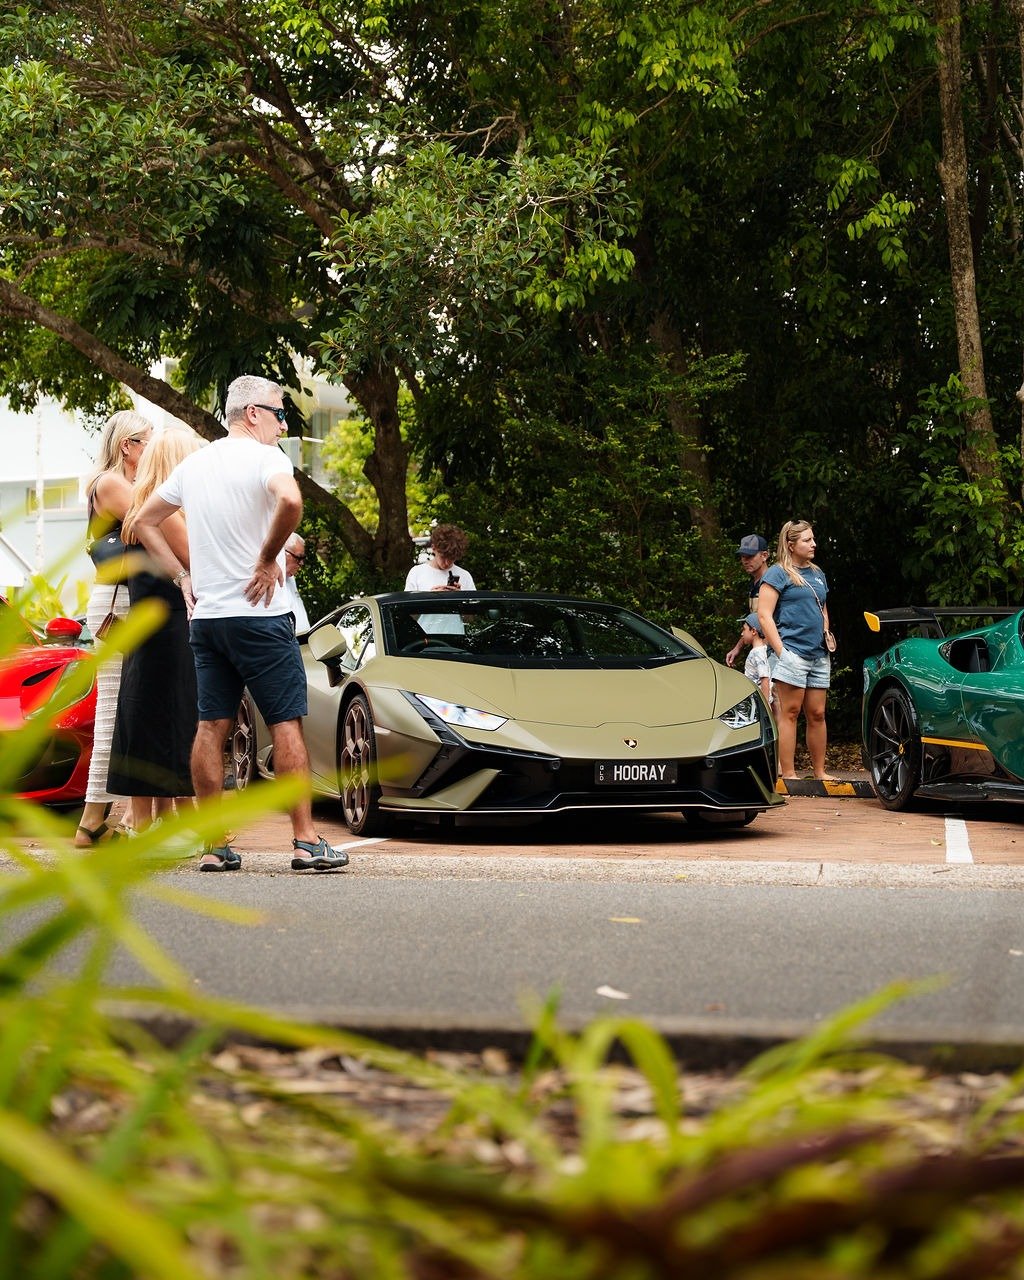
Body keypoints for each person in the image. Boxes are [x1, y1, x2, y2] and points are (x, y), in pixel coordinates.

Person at [132, 374, 348, 873]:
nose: (282, 424)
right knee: (286, 722)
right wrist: (267, 559)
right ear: (252, 413)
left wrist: (183, 577)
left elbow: (145, 520)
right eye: (278, 413)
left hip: (207, 619)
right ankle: (306, 842)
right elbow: (291, 502)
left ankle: (214, 847)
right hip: (259, 616)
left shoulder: (196, 464)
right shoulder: (266, 458)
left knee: (211, 726)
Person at [107, 429, 204, 826]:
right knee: (176, 722)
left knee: (143, 723)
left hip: (145, 630)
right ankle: (168, 826)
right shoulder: (167, 515)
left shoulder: (137, 512)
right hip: (171, 632)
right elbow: (197, 567)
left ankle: (145, 827)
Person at [74, 410, 154, 847]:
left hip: (124, 602)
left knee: (126, 711)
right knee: (112, 715)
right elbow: (151, 520)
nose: (153, 451)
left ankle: (101, 819)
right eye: (148, 442)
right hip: (116, 605)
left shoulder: (117, 483)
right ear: (128, 445)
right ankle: (91, 821)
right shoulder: (110, 483)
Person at [757, 520, 832, 782]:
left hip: (818, 654)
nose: (813, 544)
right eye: (807, 540)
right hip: (792, 652)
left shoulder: (817, 573)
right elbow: (764, 615)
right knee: (790, 712)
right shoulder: (777, 574)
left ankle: (820, 772)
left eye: (813, 539)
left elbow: (822, 608)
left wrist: (826, 635)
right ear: (791, 545)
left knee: (817, 713)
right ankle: (788, 774)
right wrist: (781, 652)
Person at [403, 524, 476, 635]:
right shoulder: (417, 573)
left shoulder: (465, 576)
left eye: (451, 558)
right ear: (433, 548)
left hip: (456, 643)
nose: (447, 563)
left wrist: (459, 600)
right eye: (443, 557)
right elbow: (406, 615)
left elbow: (471, 619)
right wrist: (429, 599)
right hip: (422, 643)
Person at [725, 534, 770, 667]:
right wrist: (737, 647)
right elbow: (755, 622)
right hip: (760, 653)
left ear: (764, 556)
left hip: (773, 654)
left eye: (750, 556)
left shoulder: (772, 583)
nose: (745, 560)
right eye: (743, 556)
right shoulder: (754, 583)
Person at [739, 612, 773, 707]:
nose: (742, 633)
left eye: (744, 629)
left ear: (753, 631)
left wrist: (766, 706)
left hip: (758, 702)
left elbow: (765, 678)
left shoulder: (757, 653)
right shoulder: (762, 649)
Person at [283, 533, 311, 634]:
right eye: (298, 557)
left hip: (305, 640)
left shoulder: (290, 578)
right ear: (283, 552)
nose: (301, 563)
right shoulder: (269, 578)